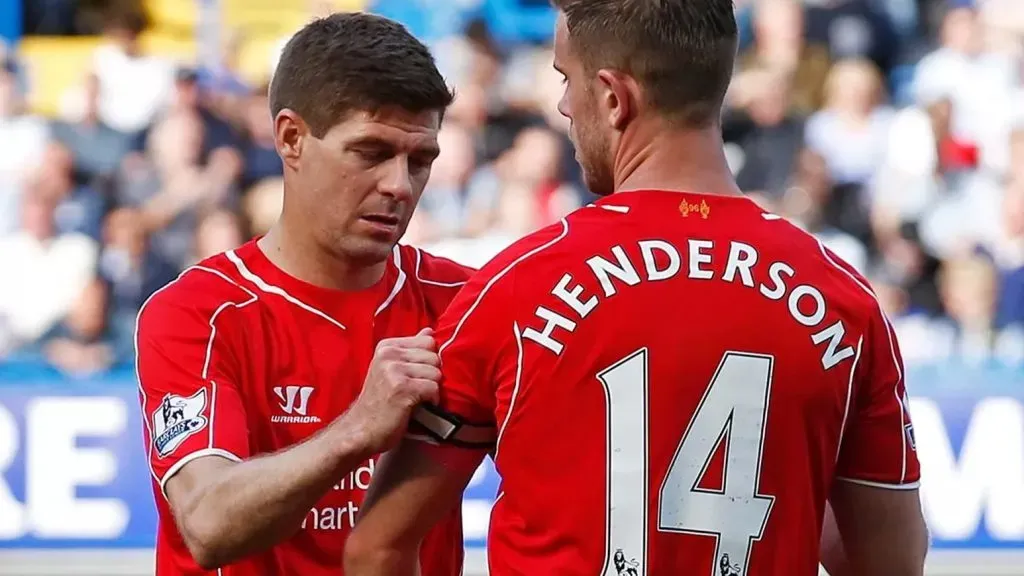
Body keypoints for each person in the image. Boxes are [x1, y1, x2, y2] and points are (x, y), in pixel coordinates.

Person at [345, 1, 928, 575]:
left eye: (566, 80)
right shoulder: (841, 299)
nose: (563, 106)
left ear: (614, 98)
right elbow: (892, 561)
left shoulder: (516, 289)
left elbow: (377, 547)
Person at [135, 13, 470, 575]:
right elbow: (208, 522)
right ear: (291, 138)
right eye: (370, 152)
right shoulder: (196, 314)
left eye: (420, 160)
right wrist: (359, 430)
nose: (398, 185)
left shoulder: (465, 302)